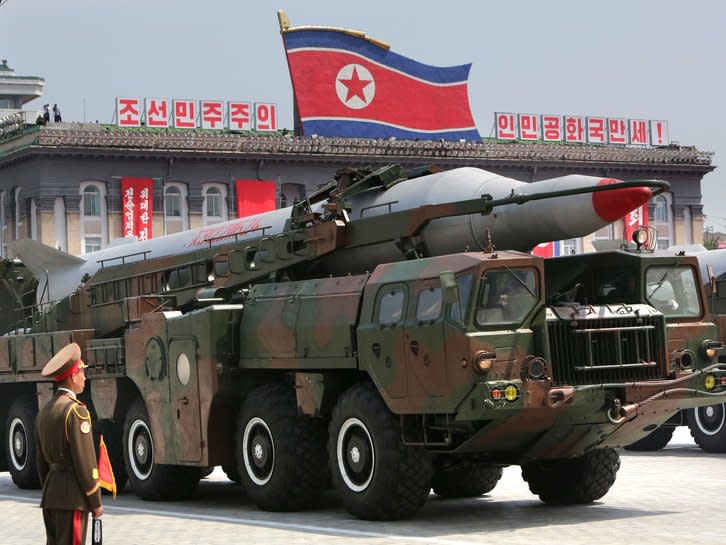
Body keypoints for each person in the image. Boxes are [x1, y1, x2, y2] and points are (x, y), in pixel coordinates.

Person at [35, 342, 103, 545]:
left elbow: (40, 462)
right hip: (73, 498)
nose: (84, 377)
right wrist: (96, 501)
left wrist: (50, 489)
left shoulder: (44, 411)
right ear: (73, 377)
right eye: (82, 372)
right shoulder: (76, 411)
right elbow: (85, 462)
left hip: (51, 494)